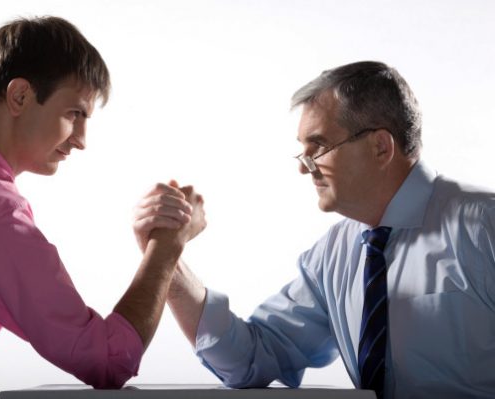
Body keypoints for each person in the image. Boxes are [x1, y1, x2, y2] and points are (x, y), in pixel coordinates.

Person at [134, 61, 495, 399]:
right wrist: (169, 262)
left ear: (380, 147)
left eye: (319, 146)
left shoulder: (484, 227)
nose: (305, 168)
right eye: (303, 152)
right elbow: (252, 359)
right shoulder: (335, 254)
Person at [0, 16, 205, 398]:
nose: (81, 140)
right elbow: (107, 361)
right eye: (74, 113)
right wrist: (167, 246)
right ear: (20, 96)